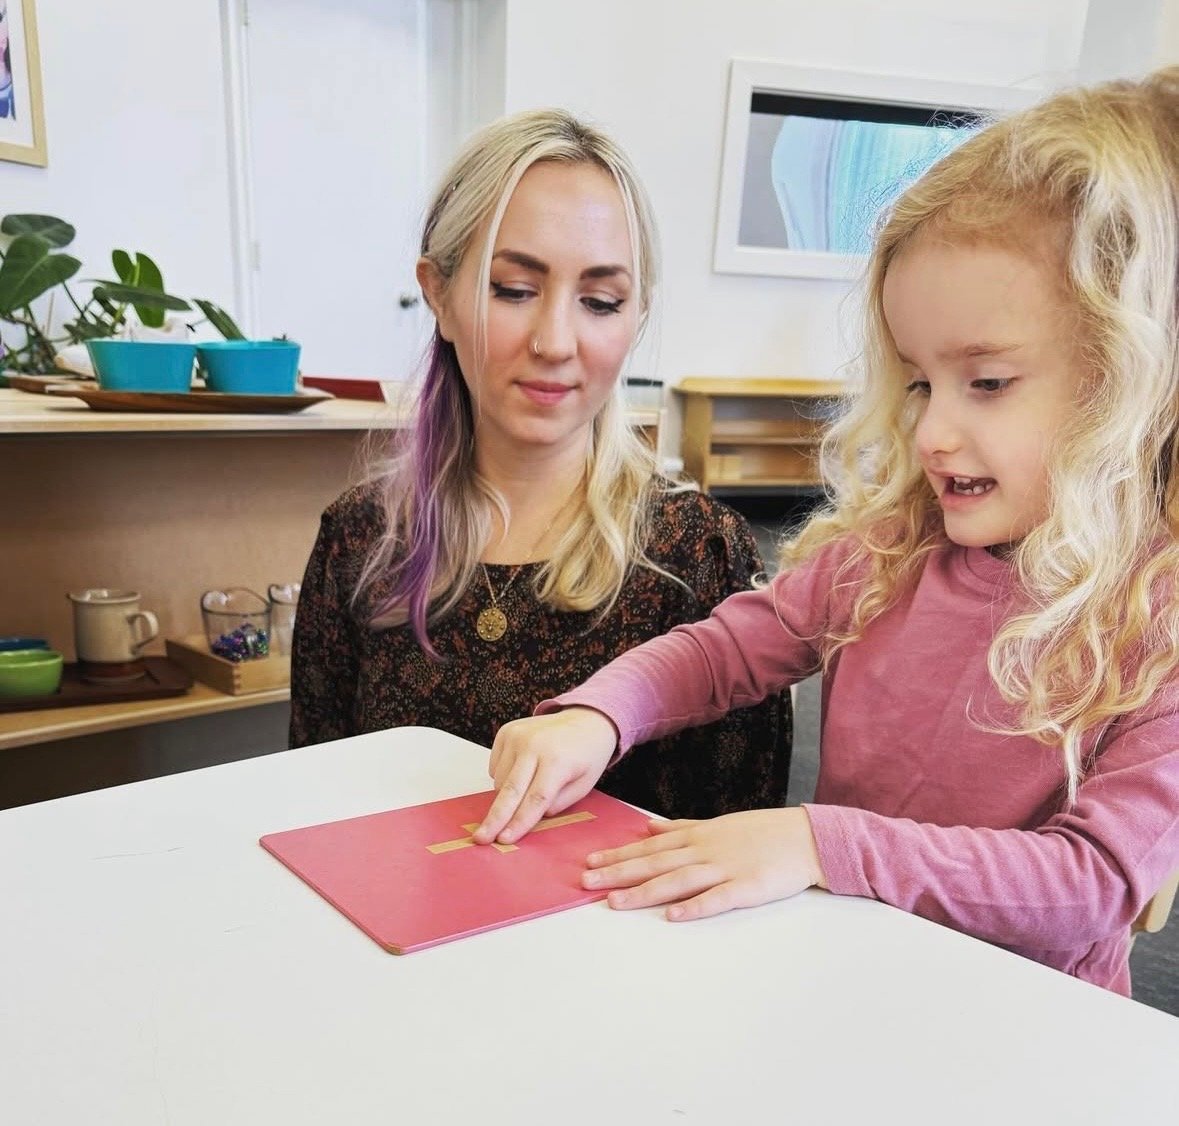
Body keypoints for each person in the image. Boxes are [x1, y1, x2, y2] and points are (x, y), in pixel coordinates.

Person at [476, 70, 1179, 996]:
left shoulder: (1155, 620)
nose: (930, 431)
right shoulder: (888, 551)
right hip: (850, 970)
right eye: (920, 381)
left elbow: (1089, 886)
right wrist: (598, 714)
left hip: (1020, 1021)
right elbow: (726, 650)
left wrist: (818, 841)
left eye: (988, 383)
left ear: (1134, 382)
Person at [289, 108, 791, 820]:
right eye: (514, 290)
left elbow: (734, 854)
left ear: (636, 314)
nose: (556, 341)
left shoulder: (695, 557)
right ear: (438, 293)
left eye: (600, 301)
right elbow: (317, 806)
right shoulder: (358, 541)